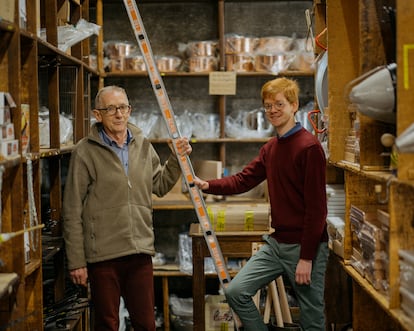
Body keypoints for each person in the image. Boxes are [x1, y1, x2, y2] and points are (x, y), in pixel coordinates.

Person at [194, 77, 329, 331]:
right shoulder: (271, 148)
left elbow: (317, 210)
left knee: (312, 319)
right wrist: (208, 185)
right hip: (276, 244)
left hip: (305, 247)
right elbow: (243, 180)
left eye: (279, 104)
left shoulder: (309, 148)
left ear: (294, 105)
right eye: (268, 106)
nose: (273, 110)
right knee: (236, 291)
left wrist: (307, 258)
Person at [62, 85, 192, 331]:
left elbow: (161, 185)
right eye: (110, 109)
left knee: (145, 324)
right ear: (97, 115)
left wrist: (177, 159)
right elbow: (71, 210)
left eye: (123, 107)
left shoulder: (141, 143)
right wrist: (76, 262)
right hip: (103, 255)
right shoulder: (84, 152)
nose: (119, 114)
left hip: (139, 250)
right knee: (107, 324)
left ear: (130, 110)